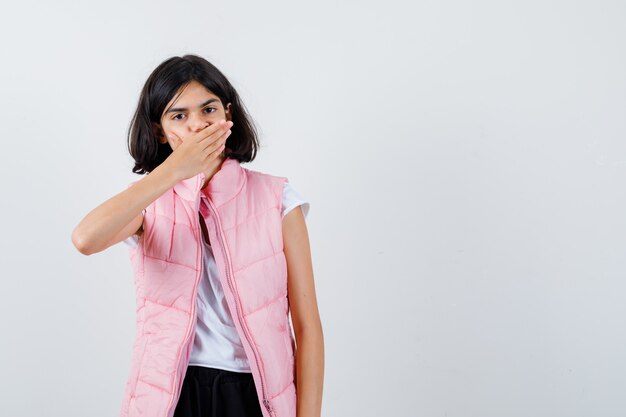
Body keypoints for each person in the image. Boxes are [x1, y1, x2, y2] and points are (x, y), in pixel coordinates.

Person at [71, 54, 324, 417]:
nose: (198, 126)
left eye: (209, 110)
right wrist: (175, 169)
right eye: (179, 116)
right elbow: (85, 239)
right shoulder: (147, 202)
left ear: (228, 116)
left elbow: (307, 325)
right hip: (171, 396)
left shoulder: (277, 199)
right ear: (159, 130)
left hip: (254, 392)